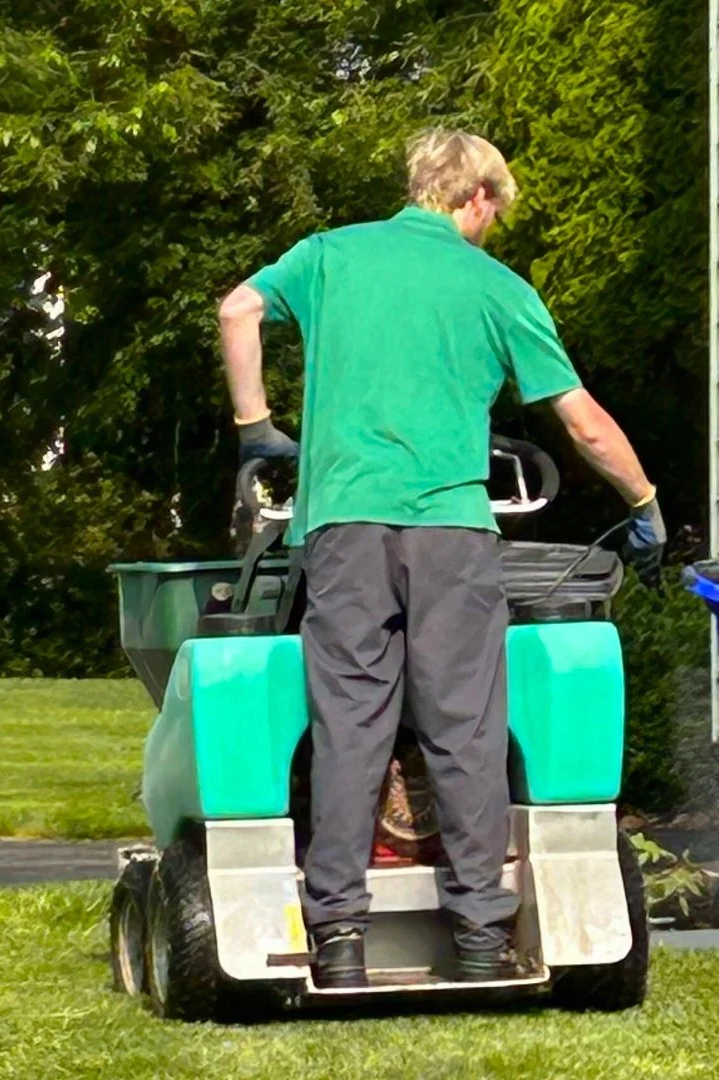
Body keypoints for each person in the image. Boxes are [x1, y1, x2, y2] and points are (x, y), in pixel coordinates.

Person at [215, 129, 665, 988]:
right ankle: (480, 940)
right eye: (496, 210)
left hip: (343, 529)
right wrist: (643, 503)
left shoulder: (328, 256)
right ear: (478, 199)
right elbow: (582, 422)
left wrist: (254, 428)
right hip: (453, 535)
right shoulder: (496, 288)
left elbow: (238, 310)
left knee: (350, 726)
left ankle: (340, 940)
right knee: (464, 727)